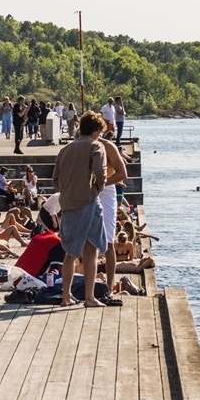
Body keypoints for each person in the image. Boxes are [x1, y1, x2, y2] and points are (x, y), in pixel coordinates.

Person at [52, 110, 119, 308]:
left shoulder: (65, 149)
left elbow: (55, 178)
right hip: (88, 203)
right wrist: (96, 189)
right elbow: (101, 172)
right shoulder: (95, 146)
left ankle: (66, 296)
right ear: (96, 129)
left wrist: (67, 190)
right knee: (91, 250)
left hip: (68, 202)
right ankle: (89, 297)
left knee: (70, 252)